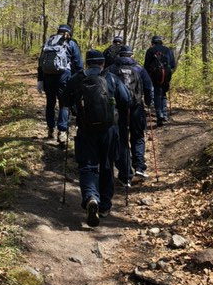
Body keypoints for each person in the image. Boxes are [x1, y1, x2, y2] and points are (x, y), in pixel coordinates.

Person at [63, 49, 130, 227]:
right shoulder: (111, 78)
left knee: (87, 166)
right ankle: (105, 206)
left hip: (86, 129)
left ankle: (91, 196)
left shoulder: (78, 78)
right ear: (102, 63)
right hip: (109, 129)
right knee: (107, 165)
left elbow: (64, 100)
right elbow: (126, 99)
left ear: (87, 63)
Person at [107, 45, 154, 185]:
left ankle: (125, 174)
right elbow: (148, 87)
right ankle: (139, 167)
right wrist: (148, 102)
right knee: (138, 136)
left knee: (121, 140)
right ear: (131, 55)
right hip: (136, 108)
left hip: (118, 110)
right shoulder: (139, 69)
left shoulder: (111, 69)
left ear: (119, 55)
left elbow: (105, 88)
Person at [37, 24, 83, 145]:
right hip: (64, 77)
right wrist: (78, 80)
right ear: (69, 32)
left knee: (50, 103)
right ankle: (62, 132)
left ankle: (50, 129)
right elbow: (78, 64)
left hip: (48, 78)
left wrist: (40, 80)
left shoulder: (49, 42)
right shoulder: (71, 43)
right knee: (64, 104)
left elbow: (41, 62)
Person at [144, 35, 176, 127]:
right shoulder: (168, 50)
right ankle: (164, 115)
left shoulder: (150, 51)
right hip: (166, 76)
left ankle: (159, 115)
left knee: (157, 94)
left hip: (155, 76)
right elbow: (173, 65)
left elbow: (146, 66)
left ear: (152, 42)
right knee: (163, 94)